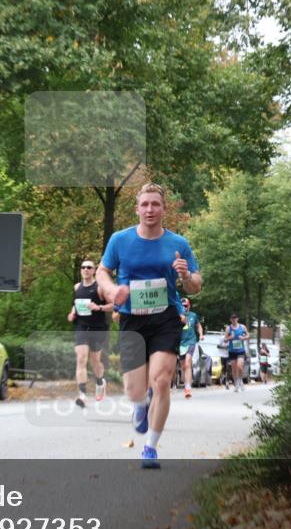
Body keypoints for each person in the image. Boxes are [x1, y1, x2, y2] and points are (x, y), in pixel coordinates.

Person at [96, 183, 202, 469]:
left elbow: (196, 286)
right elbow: (102, 271)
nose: (150, 209)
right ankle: (141, 405)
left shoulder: (178, 244)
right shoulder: (120, 240)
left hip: (165, 317)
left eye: (155, 204)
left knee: (163, 380)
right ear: (137, 209)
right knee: (135, 391)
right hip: (132, 319)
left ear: (164, 208)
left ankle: (150, 448)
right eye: (145, 204)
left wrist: (186, 277)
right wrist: (109, 290)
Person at [67, 259, 111, 408]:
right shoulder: (77, 287)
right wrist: (72, 313)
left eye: (89, 267)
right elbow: (75, 304)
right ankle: (82, 394)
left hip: (97, 328)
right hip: (81, 326)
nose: (85, 269)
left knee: (95, 361)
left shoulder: (99, 288)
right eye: (83, 267)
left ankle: (100, 381)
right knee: (81, 358)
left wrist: (98, 307)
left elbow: (113, 306)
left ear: (94, 271)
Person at [178, 297, 203, 399]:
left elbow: (198, 326)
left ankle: (188, 388)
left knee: (188, 363)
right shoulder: (176, 316)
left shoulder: (193, 315)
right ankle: (186, 384)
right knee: (183, 366)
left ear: (189, 306)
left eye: (186, 306)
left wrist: (200, 334)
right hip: (180, 343)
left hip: (191, 341)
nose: (184, 308)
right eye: (182, 306)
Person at [224, 314, 249, 393]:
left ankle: (240, 380)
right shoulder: (228, 328)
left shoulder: (242, 327)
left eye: (235, 318)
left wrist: (244, 338)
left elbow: (248, 335)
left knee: (240, 367)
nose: (234, 320)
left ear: (237, 319)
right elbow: (224, 340)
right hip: (232, 351)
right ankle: (236, 384)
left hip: (241, 350)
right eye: (232, 319)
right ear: (231, 320)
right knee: (234, 369)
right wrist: (229, 338)